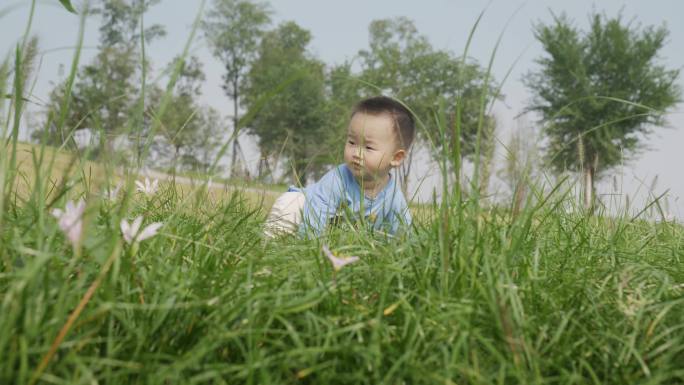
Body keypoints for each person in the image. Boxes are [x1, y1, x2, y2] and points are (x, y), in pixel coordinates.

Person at [264, 96, 414, 238]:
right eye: (352, 142)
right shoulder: (338, 179)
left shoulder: (394, 196)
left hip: (332, 230)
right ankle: (269, 251)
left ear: (396, 157)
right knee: (290, 206)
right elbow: (316, 216)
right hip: (304, 209)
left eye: (368, 147)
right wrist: (311, 251)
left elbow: (402, 232)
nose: (357, 153)